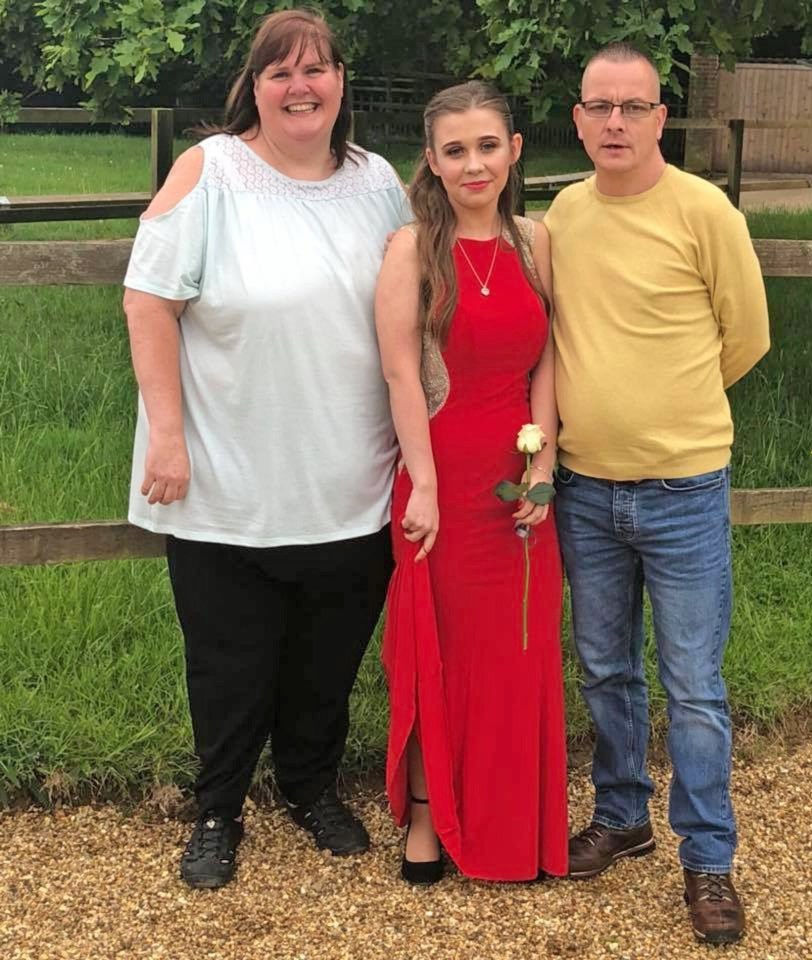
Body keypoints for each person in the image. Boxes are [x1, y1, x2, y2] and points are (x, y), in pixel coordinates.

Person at [122, 9, 410, 889]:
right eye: (281, 72)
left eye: (318, 69)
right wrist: (166, 436)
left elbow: (411, 306)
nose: (302, 87)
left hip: (350, 476)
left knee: (328, 657)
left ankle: (311, 787)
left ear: (340, 83)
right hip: (229, 479)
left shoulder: (377, 182)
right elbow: (148, 300)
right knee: (230, 661)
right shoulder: (210, 172)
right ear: (254, 85)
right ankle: (218, 809)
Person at [544, 43, 770, 943]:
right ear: (577, 119)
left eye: (633, 107)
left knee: (695, 685)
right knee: (604, 667)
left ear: (661, 119)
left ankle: (708, 859)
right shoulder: (563, 212)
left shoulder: (704, 211)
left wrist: (668, 410)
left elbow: (744, 336)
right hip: (586, 490)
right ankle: (623, 813)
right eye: (600, 106)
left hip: (681, 489)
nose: (615, 123)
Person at [374, 80, 568, 884]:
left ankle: (510, 823)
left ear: (514, 149)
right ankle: (427, 816)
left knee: (517, 654)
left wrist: (546, 461)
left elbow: (550, 353)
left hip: (520, 482)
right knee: (439, 654)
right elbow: (397, 374)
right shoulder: (410, 250)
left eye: (487, 145)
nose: (474, 163)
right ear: (432, 162)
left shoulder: (536, 239)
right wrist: (421, 482)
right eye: (455, 150)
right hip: (441, 479)